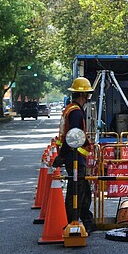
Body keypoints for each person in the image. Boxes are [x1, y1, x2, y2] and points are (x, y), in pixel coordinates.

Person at [52, 77, 97, 234]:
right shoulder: (76, 112)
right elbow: (73, 138)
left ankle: (86, 220)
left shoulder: (70, 109)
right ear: (83, 95)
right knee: (76, 191)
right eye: (87, 95)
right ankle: (72, 222)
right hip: (76, 158)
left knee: (83, 189)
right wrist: (62, 157)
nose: (88, 98)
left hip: (75, 157)